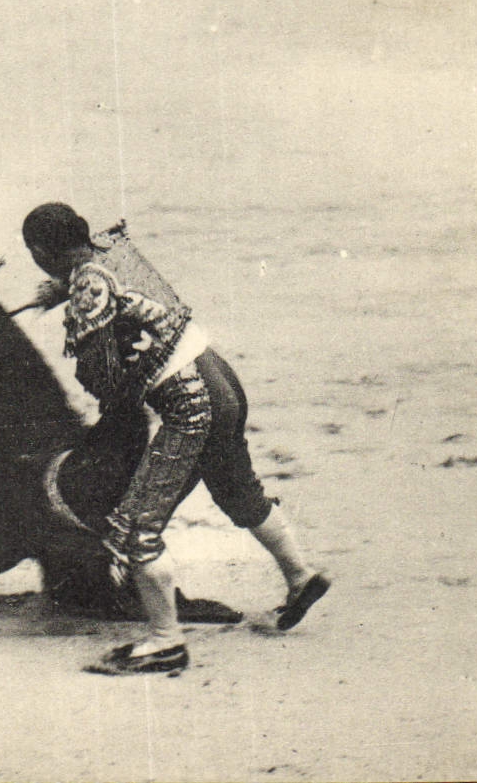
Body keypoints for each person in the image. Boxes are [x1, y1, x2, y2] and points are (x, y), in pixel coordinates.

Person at [22, 203, 330, 675]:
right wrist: (65, 291)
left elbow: (103, 377)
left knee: (134, 526)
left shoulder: (87, 286)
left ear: (41, 252)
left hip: (191, 402)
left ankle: (165, 641)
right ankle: (300, 577)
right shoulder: (109, 251)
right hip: (220, 378)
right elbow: (107, 285)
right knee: (236, 490)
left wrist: (84, 339)